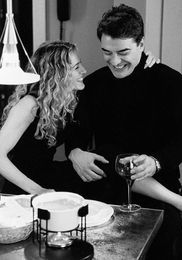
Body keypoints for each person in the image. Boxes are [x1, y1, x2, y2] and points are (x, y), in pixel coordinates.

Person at [64, 4, 182, 260]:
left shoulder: (170, 82)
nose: (115, 61)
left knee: (165, 239)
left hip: (158, 181)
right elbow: (76, 134)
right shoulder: (94, 84)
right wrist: (75, 152)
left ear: (142, 44)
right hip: (107, 182)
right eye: (106, 52)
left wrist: (155, 162)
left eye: (123, 52)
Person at [0, 40, 155, 195]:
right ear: (57, 74)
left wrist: (140, 59)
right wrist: (38, 191)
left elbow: (110, 82)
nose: (84, 70)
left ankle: (176, 202)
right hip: (23, 188)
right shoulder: (29, 104)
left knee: (110, 157)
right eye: (76, 67)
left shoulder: (65, 100)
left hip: (47, 175)